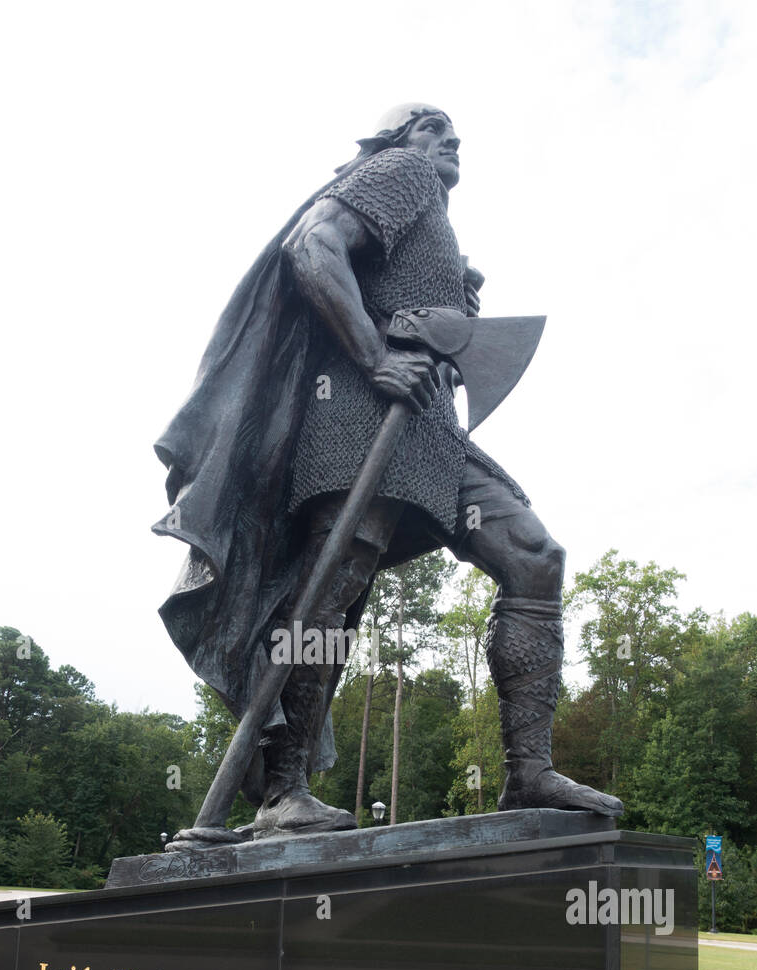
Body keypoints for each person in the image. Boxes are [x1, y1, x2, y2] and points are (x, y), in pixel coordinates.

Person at [153, 103, 623, 837]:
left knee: (533, 556)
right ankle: (283, 789)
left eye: (453, 135)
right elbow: (314, 247)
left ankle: (527, 771)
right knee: (329, 591)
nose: (452, 142)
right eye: (435, 130)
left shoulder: (428, 209)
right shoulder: (399, 173)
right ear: (399, 141)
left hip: (427, 425)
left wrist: (448, 316)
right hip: (358, 415)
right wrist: (376, 355)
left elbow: (388, 294)